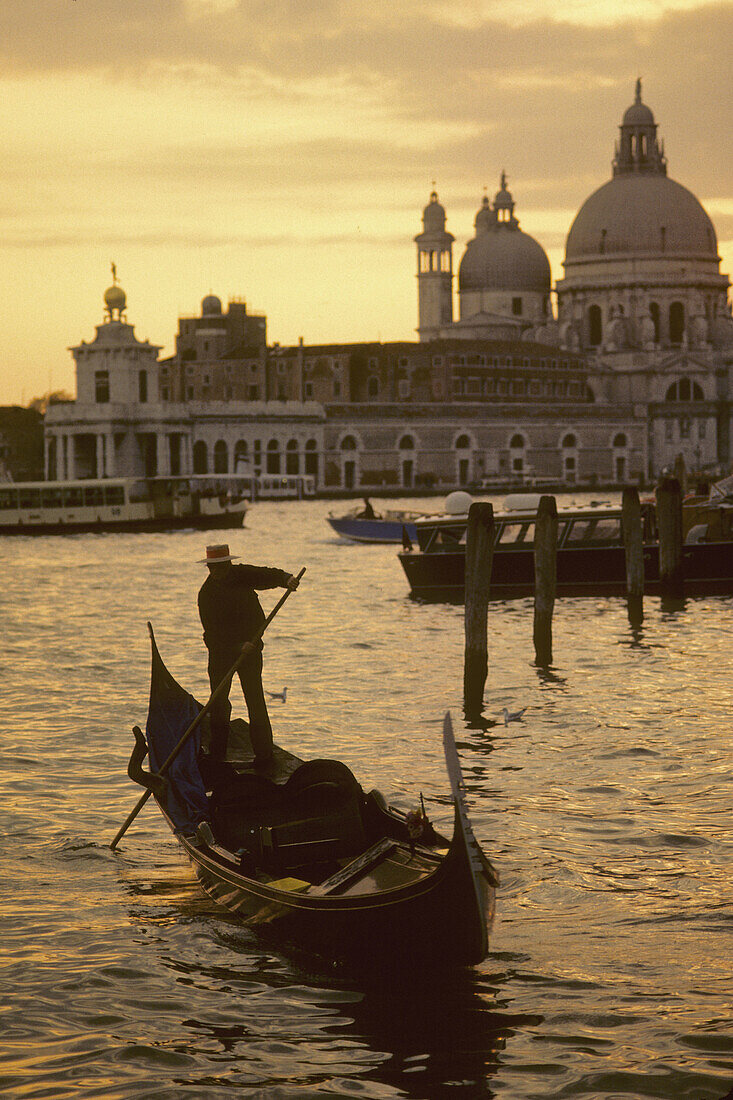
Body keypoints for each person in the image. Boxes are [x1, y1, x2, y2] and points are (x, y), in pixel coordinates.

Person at [197, 544, 299, 765]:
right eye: (212, 568)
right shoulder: (206, 594)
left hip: (251, 650)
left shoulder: (241, 574)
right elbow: (211, 635)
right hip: (221, 654)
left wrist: (286, 578)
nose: (216, 572)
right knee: (219, 703)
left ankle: (264, 755)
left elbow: (264, 574)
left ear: (229, 565)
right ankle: (217, 757)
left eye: (220, 567)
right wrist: (235, 647)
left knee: (255, 701)